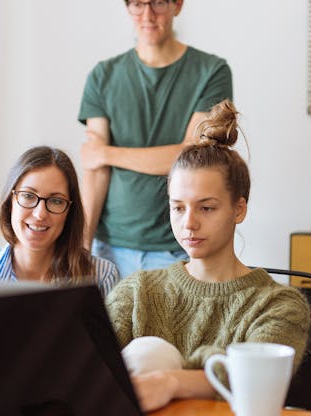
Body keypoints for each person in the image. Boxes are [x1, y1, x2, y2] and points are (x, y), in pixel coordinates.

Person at [105, 100, 311, 413]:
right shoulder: (136, 292)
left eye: (206, 207)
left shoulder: (279, 305)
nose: (189, 223)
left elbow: (258, 381)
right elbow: (87, 370)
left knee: (153, 353)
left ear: (238, 209)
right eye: (178, 207)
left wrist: (170, 381)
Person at [78, 0, 233, 278]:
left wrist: (107, 152)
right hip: (109, 248)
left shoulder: (212, 71)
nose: (147, 15)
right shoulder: (102, 76)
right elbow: (95, 168)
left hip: (178, 247)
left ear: (177, 5)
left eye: (158, 3)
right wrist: (82, 245)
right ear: (127, 8)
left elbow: (191, 157)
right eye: (137, 4)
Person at [0, 147, 119, 297]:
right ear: (11, 202)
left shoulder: (101, 276)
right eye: (28, 196)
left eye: (56, 201)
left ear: (69, 211)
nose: (40, 214)